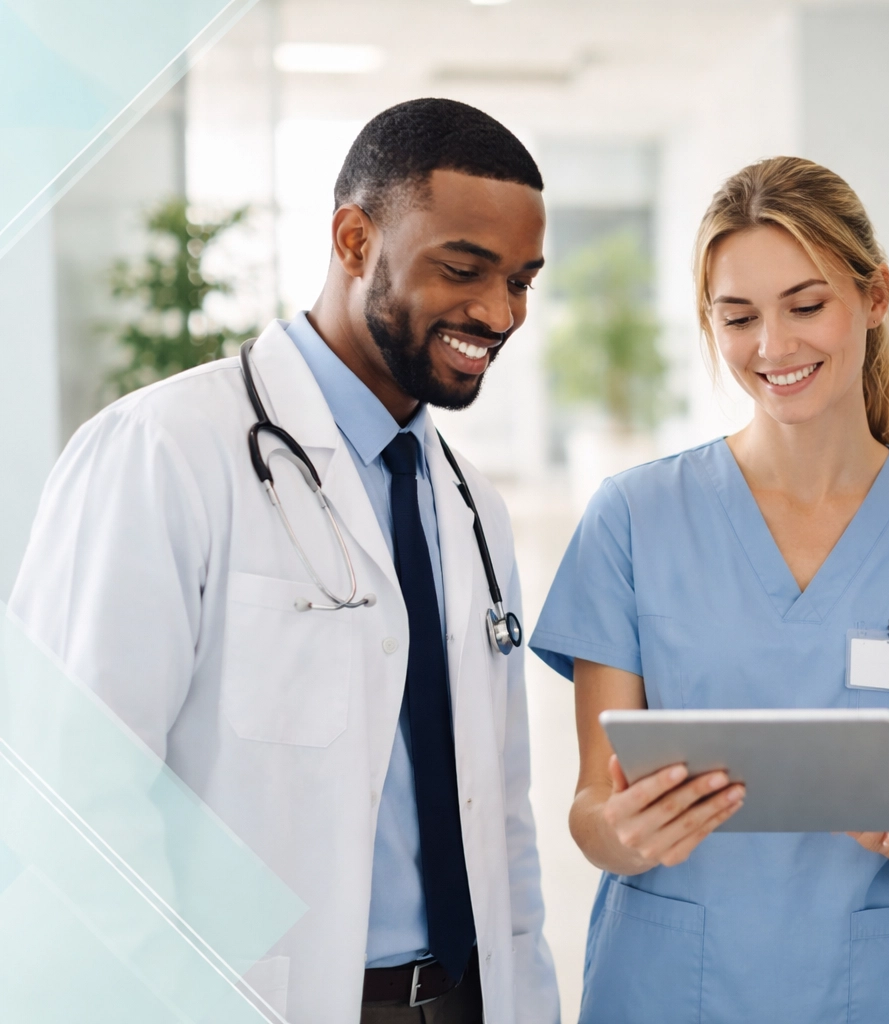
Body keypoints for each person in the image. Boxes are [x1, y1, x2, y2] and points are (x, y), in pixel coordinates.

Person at [11, 98, 559, 1024]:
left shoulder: (472, 508)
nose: (498, 312)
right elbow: (67, 798)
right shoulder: (166, 451)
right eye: (464, 270)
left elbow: (499, 811)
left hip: (466, 1004)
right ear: (354, 239)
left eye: (522, 280)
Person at [529, 156, 889, 1023]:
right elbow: (589, 807)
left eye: (806, 306)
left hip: (885, 991)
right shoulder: (633, 517)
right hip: (666, 986)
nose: (774, 347)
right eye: (739, 317)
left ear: (874, 298)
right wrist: (624, 833)